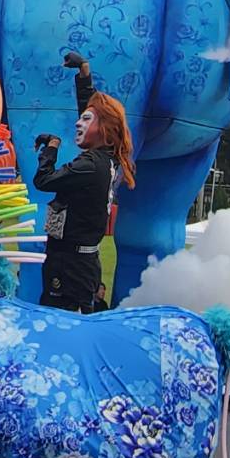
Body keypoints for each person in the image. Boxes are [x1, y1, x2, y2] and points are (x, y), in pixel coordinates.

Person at [33, 52, 135, 312]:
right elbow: (94, 114)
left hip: (70, 266)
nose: (78, 122)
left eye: (86, 120)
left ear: (104, 129)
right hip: (76, 260)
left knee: (60, 326)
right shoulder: (105, 157)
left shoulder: (90, 165)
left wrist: (51, 149)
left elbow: (43, 181)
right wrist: (84, 75)